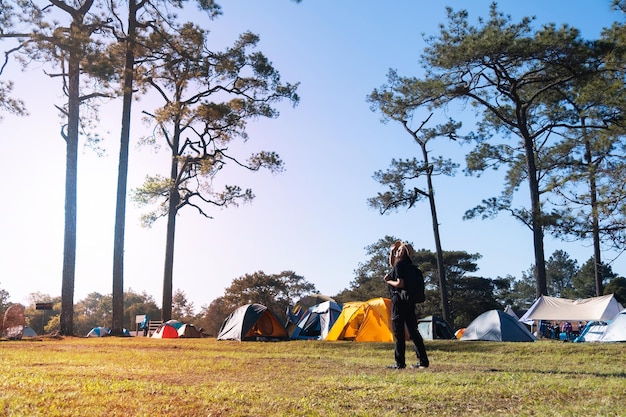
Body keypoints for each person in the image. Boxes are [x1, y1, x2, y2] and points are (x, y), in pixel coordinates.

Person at [384, 241, 429, 369]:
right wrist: (392, 251)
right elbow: (392, 264)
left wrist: (389, 281)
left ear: (403, 253)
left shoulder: (400, 266)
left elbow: (400, 283)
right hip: (410, 301)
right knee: (413, 332)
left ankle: (399, 363)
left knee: (399, 333)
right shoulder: (412, 268)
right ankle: (423, 361)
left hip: (399, 301)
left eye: (399, 251)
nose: (397, 252)